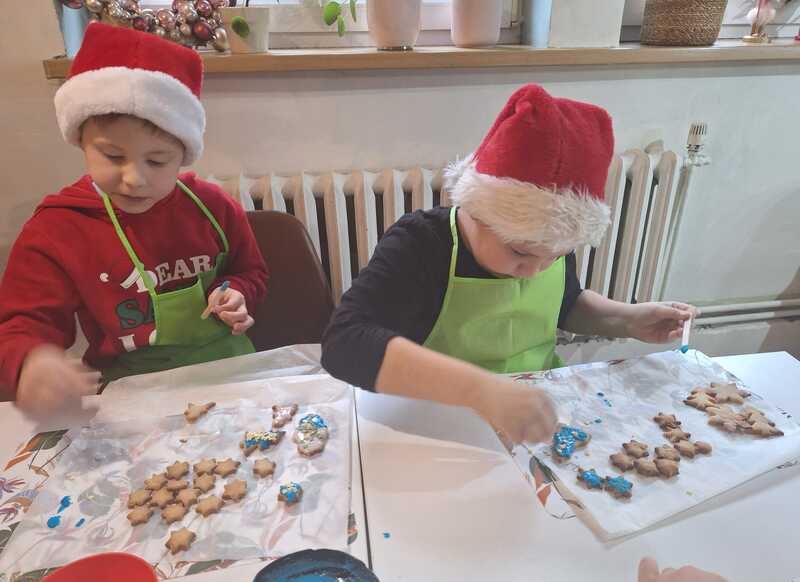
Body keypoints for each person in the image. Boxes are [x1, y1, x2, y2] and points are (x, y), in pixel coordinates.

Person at [322, 84, 694, 444]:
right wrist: (480, 391)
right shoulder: (420, 245)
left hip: (534, 416)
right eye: (519, 253)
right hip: (437, 423)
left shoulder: (548, 242)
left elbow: (565, 304)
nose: (535, 271)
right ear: (476, 209)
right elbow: (344, 344)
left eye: (555, 256)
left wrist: (627, 319)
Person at [0, 23, 268, 414]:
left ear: (183, 155)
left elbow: (250, 270)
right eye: (112, 156)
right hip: (131, 395)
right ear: (80, 140)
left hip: (230, 377)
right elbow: (23, 322)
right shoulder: (57, 230)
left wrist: (237, 291)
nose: (134, 178)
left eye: (157, 161)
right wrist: (30, 362)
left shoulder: (213, 207)